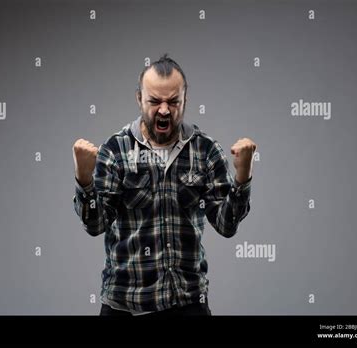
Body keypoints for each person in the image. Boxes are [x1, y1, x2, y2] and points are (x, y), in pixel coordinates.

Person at [72, 53, 257, 316]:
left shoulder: (205, 150)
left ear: (185, 100)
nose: (163, 110)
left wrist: (243, 177)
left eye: (173, 101)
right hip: (125, 306)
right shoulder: (116, 150)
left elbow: (227, 226)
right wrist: (84, 179)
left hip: (188, 304)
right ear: (139, 99)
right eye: (154, 101)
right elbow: (95, 225)